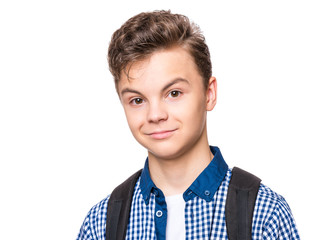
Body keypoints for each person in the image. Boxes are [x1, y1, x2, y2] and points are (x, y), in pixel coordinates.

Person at [77, 10, 299, 239]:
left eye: (174, 93)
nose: (155, 114)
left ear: (209, 94)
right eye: (137, 100)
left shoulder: (263, 214)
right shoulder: (101, 224)